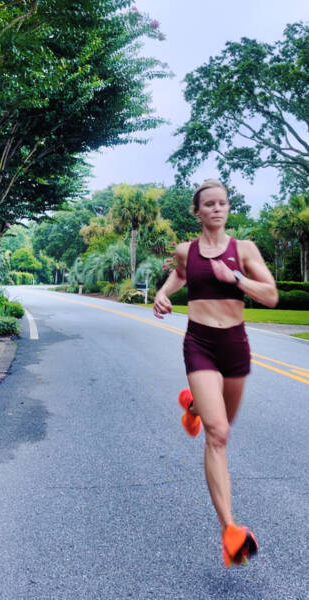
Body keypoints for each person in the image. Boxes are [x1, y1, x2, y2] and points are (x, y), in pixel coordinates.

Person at [153, 179, 278, 567]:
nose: (217, 209)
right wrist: (162, 293)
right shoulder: (184, 250)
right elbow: (180, 274)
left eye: (222, 203)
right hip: (201, 345)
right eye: (209, 204)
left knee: (220, 421)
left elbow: (272, 296)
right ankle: (230, 531)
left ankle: (192, 407)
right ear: (198, 211)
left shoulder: (244, 250)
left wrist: (236, 278)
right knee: (218, 434)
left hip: (235, 346)